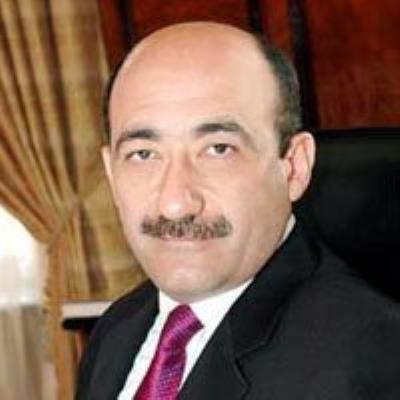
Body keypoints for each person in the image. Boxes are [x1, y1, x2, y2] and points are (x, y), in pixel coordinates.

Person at [76, 22, 400, 399]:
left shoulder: (370, 359)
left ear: (294, 167)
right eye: (143, 155)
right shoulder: (118, 329)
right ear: (111, 174)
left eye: (218, 149)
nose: (175, 203)